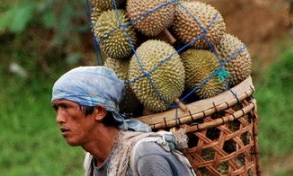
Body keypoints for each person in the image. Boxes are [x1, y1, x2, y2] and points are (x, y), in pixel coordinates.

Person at [51, 66, 196, 176]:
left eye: (66, 107)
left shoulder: (146, 155)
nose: (59, 119)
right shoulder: (91, 162)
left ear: (99, 111)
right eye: (56, 109)